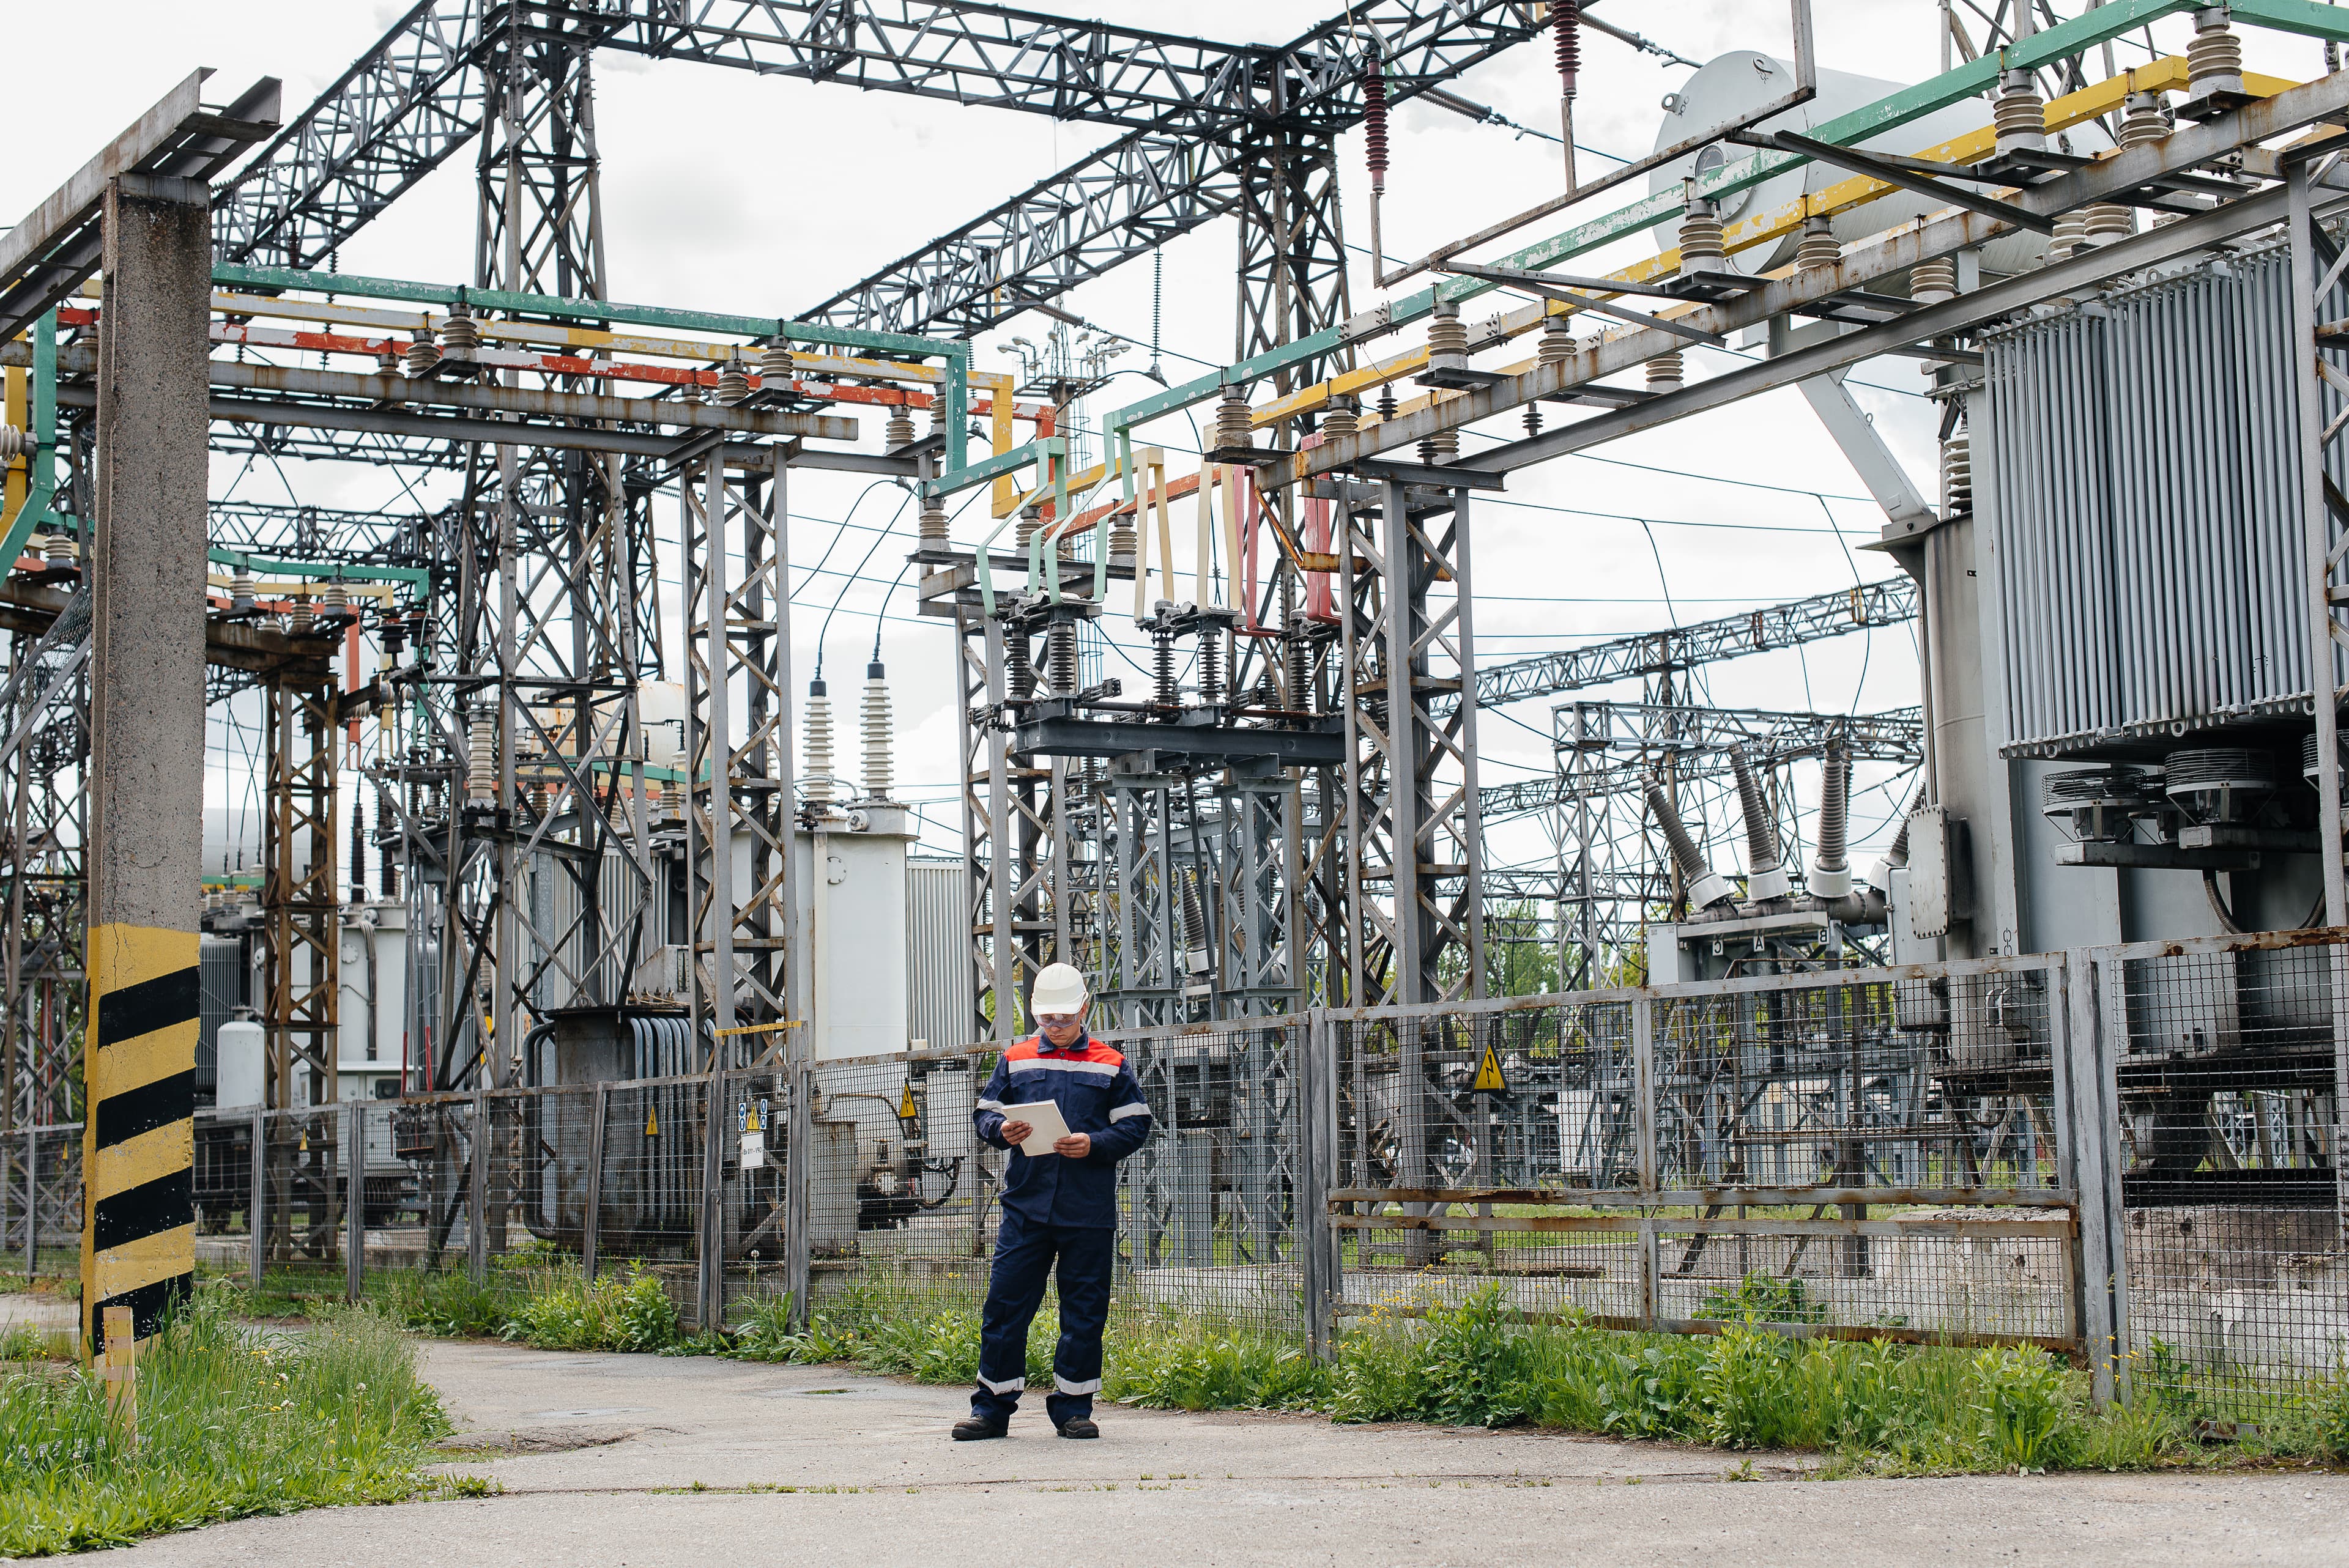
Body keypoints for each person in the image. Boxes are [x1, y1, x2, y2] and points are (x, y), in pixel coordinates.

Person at [953, 962, 1153, 1441]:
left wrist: (1095, 1144)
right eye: (1047, 1019)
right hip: (1026, 1207)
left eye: (1064, 1017)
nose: (1056, 1026)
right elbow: (985, 1114)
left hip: (1087, 1210)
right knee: (1005, 1307)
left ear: (1084, 1009)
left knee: (1084, 1310)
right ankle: (991, 1410)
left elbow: (1135, 1125)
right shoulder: (1016, 1058)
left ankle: (1073, 1409)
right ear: (1036, 1014)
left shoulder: (1111, 1063)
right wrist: (1002, 1130)